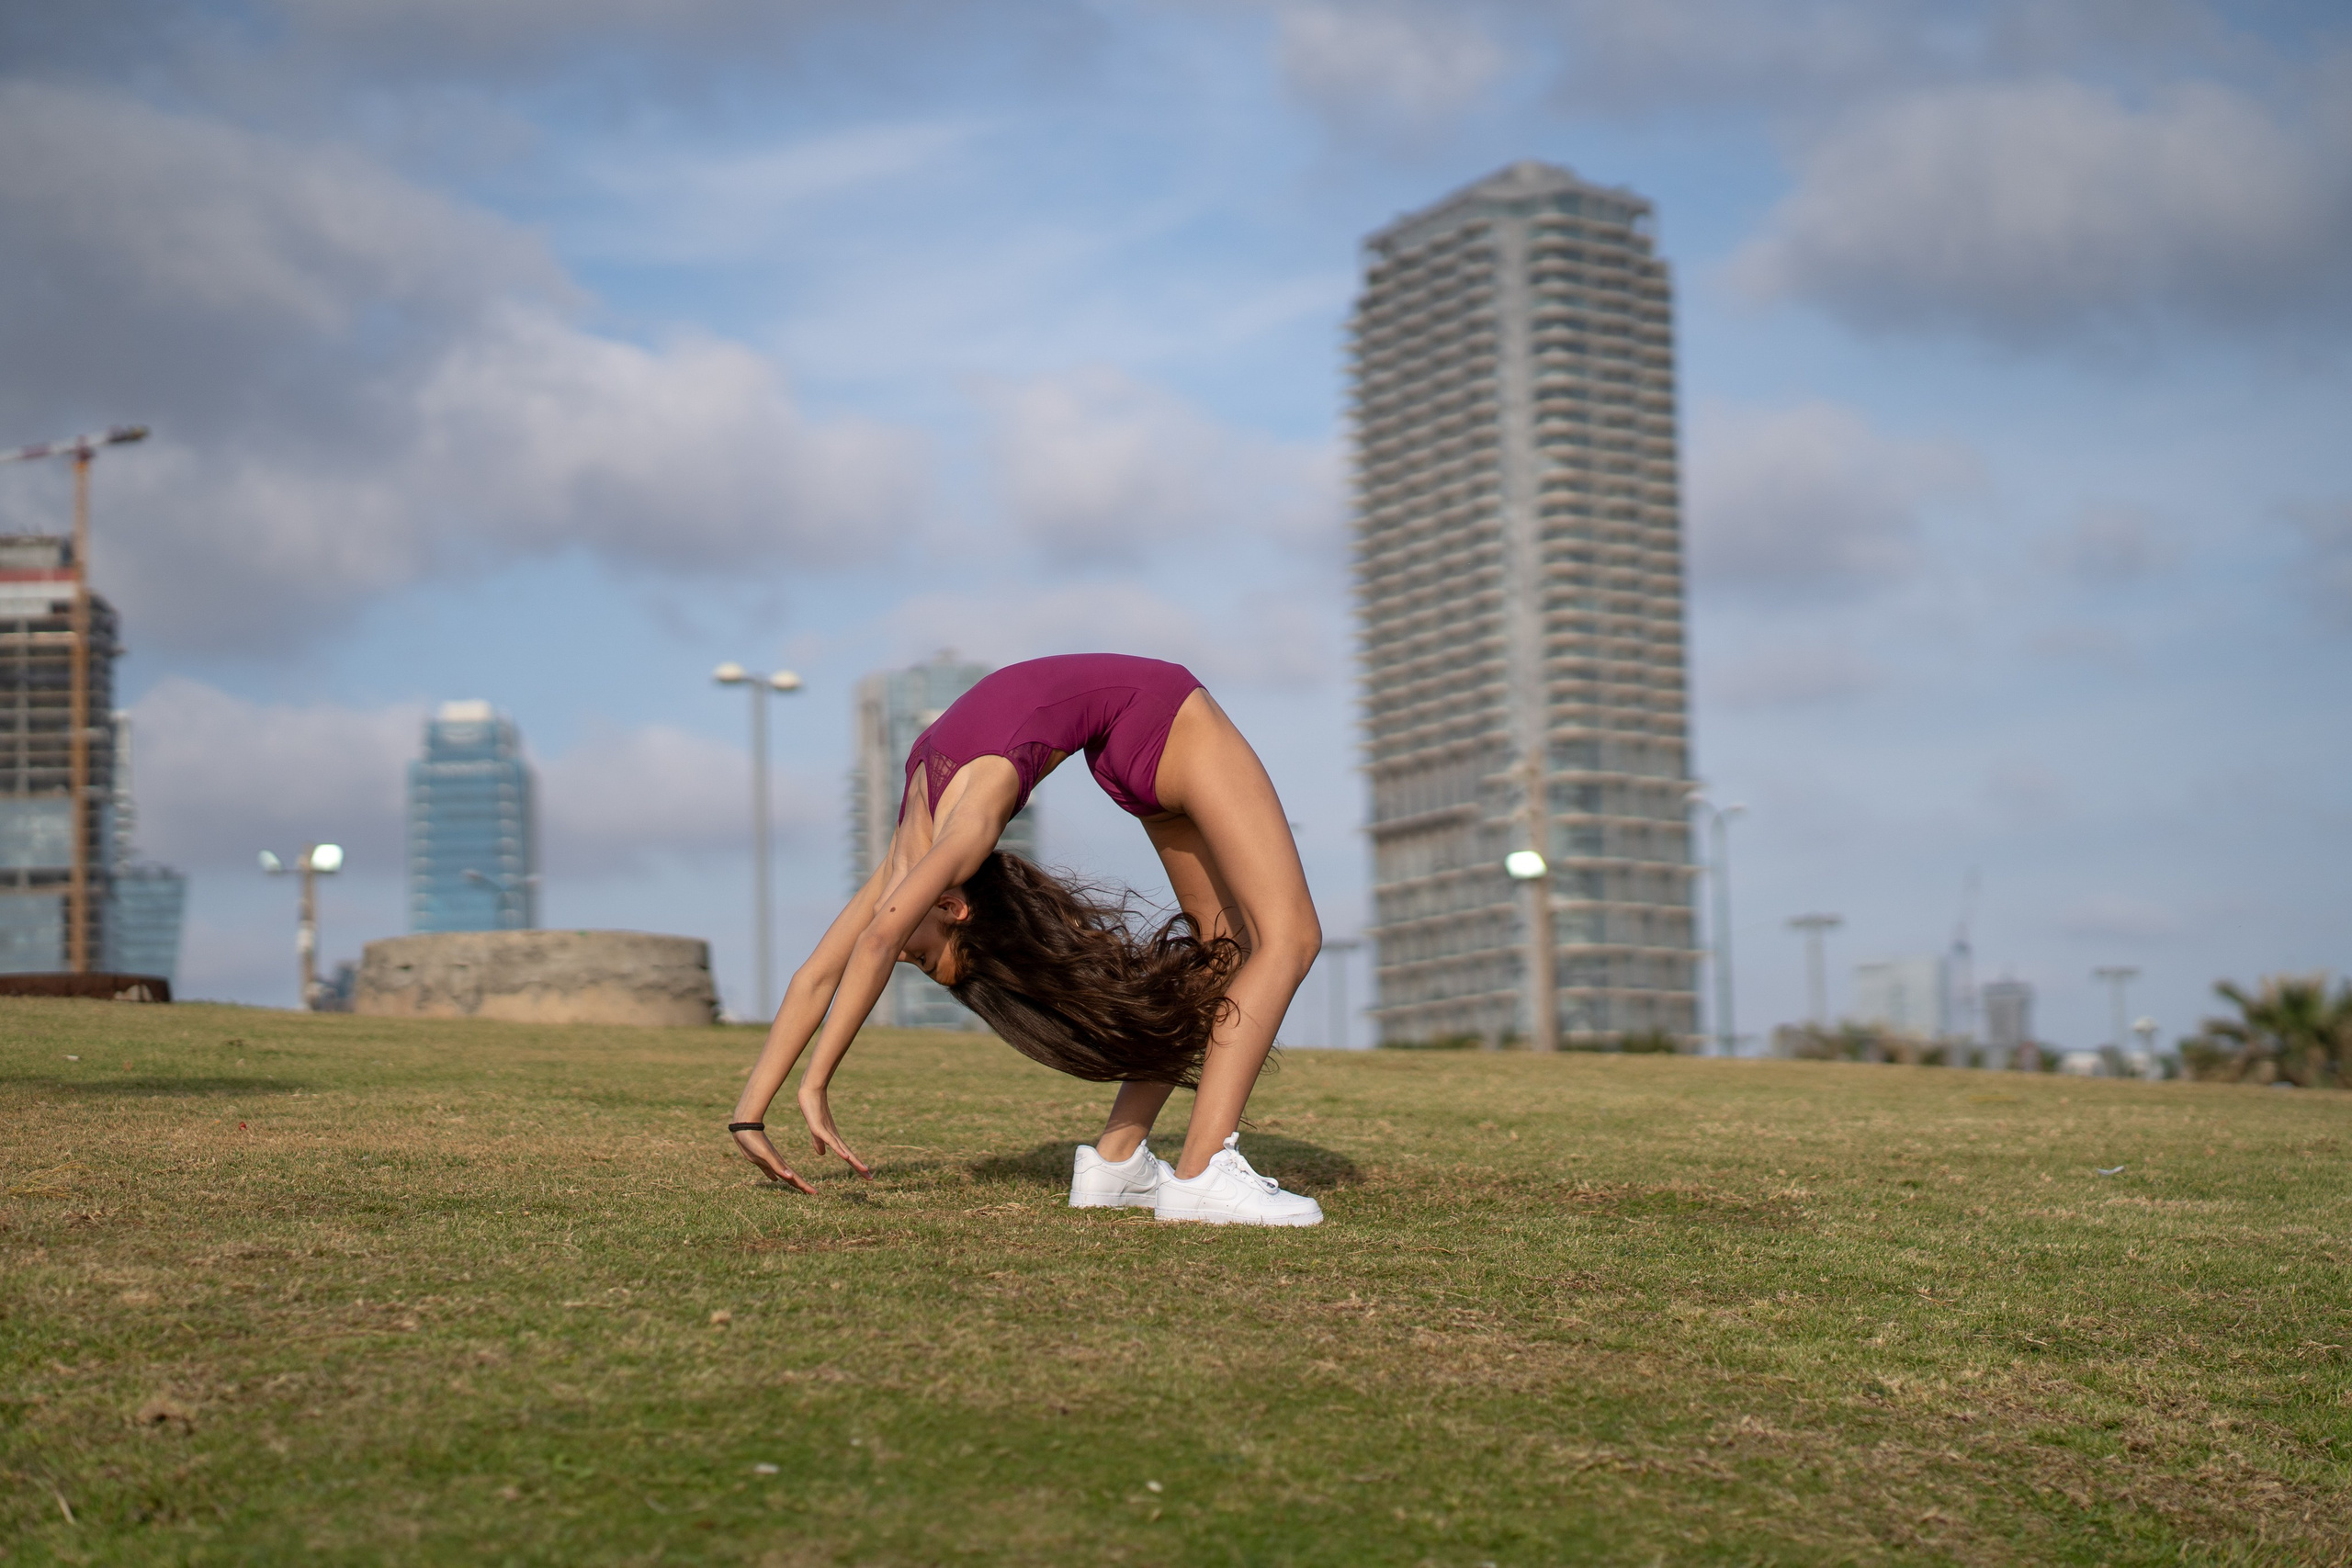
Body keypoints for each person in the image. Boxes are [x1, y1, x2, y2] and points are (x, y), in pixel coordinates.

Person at [728, 653, 1325, 1225]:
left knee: (1221, 953)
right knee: (1291, 938)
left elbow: (847, 958)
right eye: (922, 959)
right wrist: (753, 1112)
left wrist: (790, 1094)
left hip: (1132, 738)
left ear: (953, 907)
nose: (907, 953)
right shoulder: (956, 835)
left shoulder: (917, 856)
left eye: (925, 958)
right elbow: (842, 963)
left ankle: (1116, 1164)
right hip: (1161, 713)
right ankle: (1203, 1173)